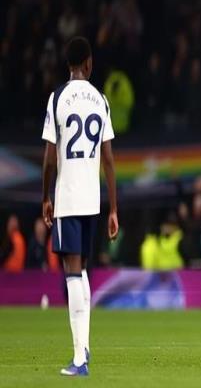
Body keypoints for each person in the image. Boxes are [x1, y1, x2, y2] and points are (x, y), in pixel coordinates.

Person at [42, 36, 118, 376]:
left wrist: (46, 196)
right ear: (88, 63)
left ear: (68, 64)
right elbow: (109, 160)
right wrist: (113, 208)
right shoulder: (101, 100)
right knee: (82, 269)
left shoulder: (58, 98)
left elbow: (49, 160)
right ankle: (84, 346)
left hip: (68, 197)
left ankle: (78, 359)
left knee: (72, 271)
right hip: (92, 199)